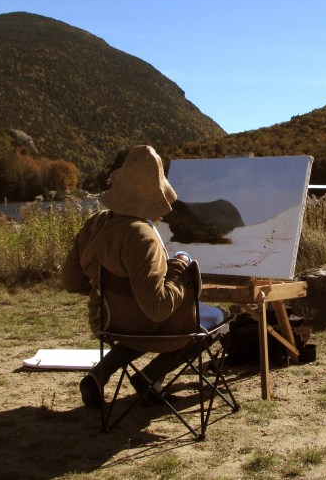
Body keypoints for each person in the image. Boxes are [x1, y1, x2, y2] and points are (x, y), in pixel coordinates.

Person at [61, 145, 224, 408]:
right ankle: (150, 376)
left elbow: (71, 281)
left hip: (107, 321)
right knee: (216, 318)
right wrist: (181, 269)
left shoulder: (95, 224)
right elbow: (158, 308)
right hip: (144, 323)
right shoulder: (141, 236)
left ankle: (99, 374)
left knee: (137, 319)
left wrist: (109, 291)